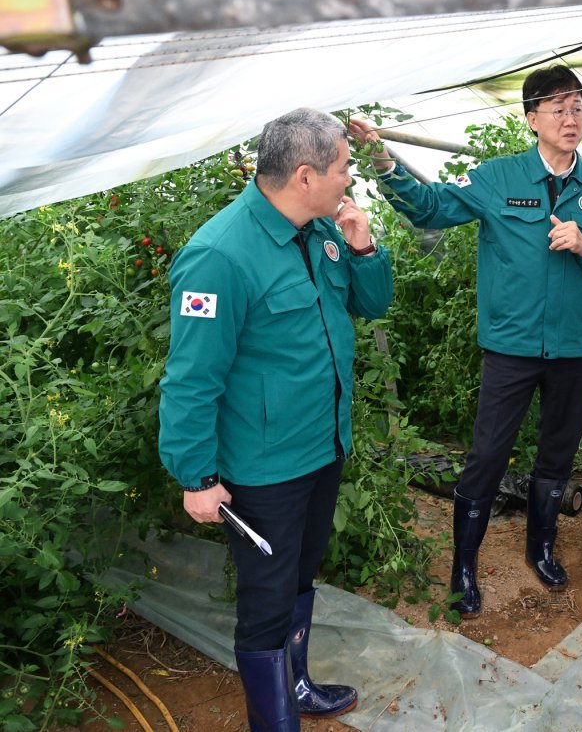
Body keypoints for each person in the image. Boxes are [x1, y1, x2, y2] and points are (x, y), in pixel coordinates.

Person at [359, 65, 582, 619]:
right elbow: (430, 207)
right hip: (512, 348)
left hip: (573, 348)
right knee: (486, 456)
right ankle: (464, 566)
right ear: (531, 119)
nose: (571, 118)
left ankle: (541, 548)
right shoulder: (497, 177)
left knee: (558, 451)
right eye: (558, 109)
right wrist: (384, 162)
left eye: (578, 107)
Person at [158, 107, 394, 730]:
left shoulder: (319, 232)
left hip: (322, 445)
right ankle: (275, 720)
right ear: (306, 175)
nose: (351, 179)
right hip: (264, 467)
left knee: (299, 576)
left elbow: (372, 304)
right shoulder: (218, 256)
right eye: (344, 168)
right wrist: (195, 476)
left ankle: (298, 685)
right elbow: (191, 379)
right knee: (266, 603)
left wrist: (363, 246)